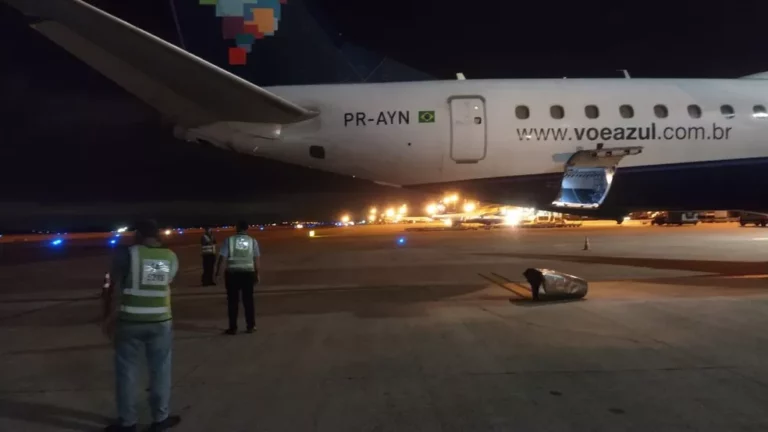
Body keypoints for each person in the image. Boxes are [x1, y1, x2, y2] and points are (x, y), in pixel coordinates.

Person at [101, 219, 181, 432]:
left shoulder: (127, 254)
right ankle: (160, 418)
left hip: (130, 322)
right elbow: (166, 280)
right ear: (157, 235)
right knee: (161, 371)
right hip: (161, 321)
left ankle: (128, 422)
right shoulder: (170, 257)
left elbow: (111, 286)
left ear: (137, 234)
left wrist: (107, 316)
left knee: (126, 373)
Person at [215, 220, 260, 335]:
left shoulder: (229, 240)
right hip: (248, 273)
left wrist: (218, 273)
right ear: (247, 228)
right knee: (248, 301)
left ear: (237, 228)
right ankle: (251, 326)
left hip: (233, 274)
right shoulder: (252, 241)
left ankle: (233, 327)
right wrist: (257, 274)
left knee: (232, 302)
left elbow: (222, 258)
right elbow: (256, 259)